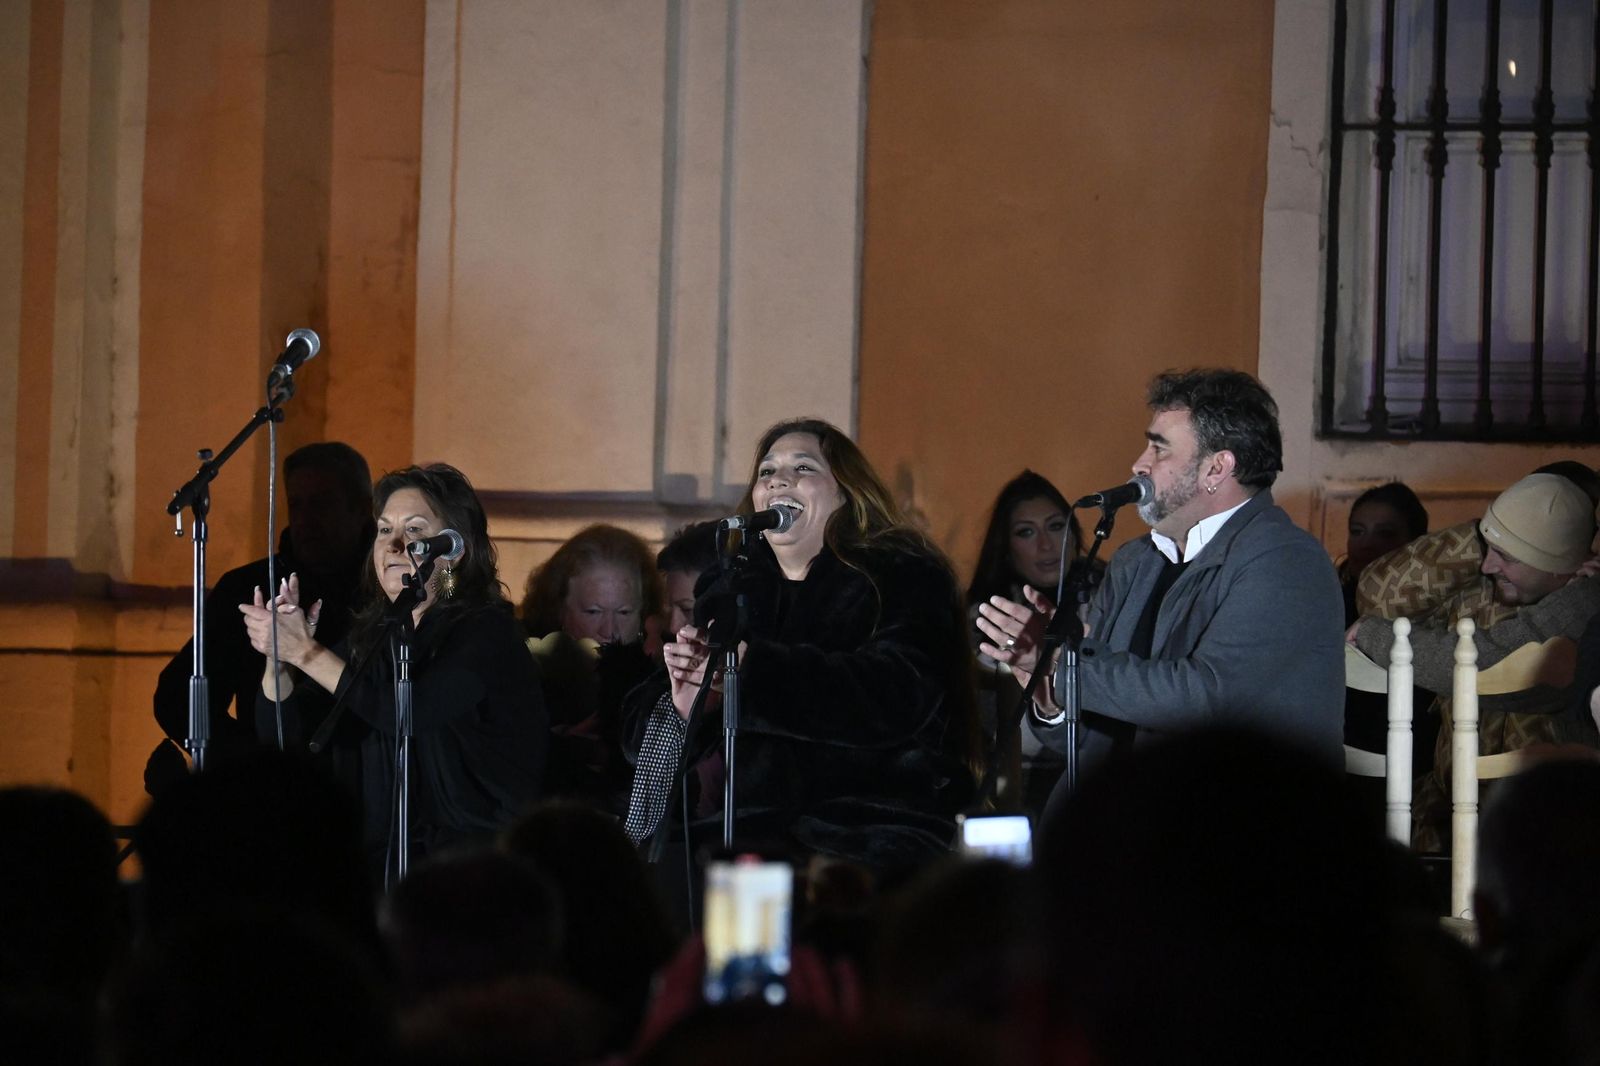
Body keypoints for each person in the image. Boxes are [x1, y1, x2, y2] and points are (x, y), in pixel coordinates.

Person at [977, 369, 1346, 809]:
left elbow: (1207, 698)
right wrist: (1043, 685)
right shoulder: (1136, 562)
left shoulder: (1286, 561)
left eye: (1159, 447)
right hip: (1123, 825)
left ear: (1216, 467)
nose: (1139, 464)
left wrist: (1063, 666)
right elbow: (1083, 736)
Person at [624, 418, 980, 874]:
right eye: (767, 471)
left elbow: (896, 696)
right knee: (650, 878)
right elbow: (640, 734)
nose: (778, 479)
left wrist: (754, 674)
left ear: (847, 493)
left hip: (874, 825)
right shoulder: (733, 585)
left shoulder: (903, 575)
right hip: (755, 825)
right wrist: (689, 706)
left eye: (804, 468)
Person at [239, 463, 546, 884]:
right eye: (384, 531)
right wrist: (280, 659)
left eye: (416, 531)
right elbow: (291, 737)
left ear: (454, 549)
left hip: (478, 869)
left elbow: (410, 715)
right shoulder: (374, 638)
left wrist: (307, 652)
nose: (395, 545)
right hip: (382, 869)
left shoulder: (486, 634)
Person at [1350, 472, 1600, 848]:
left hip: (1547, 837)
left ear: (1563, 565)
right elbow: (1377, 594)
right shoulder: (1477, 590)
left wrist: (1378, 637)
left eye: (1507, 556)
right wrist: (1489, 534)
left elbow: (1486, 663)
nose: (1487, 565)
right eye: (1488, 549)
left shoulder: (1584, 605)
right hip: (1452, 821)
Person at [147, 441, 373, 791]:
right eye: (296, 504)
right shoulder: (246, 588)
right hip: (272, 797)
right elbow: (178, 698)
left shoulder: (390, 589)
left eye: (321, 503)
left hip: (371, 795)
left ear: (361, 510)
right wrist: (251, 761)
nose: (306, 519)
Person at [965, 471, 1084, 813]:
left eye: (1056, 526)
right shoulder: (986, 616)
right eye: (1026, 532)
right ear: (1006, 546)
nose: (1046, 546)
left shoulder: (1115, 590)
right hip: (1018, 782)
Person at [521, 524, 664, 808]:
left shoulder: (662, 682)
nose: (609, 630)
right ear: (559, 609)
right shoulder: (524, 673)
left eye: (624, 612)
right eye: (593, 612)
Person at [1339, 481, 1429, 625]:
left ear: (1414, 542)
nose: (1366, 545)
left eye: (1385, 534)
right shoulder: (1329, 600)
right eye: (1357, 531)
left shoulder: (1435, 611)